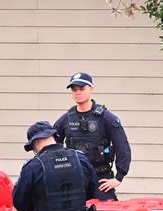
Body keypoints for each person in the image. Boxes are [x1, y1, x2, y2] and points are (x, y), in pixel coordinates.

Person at [53, 72, 131, 201]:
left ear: (91, 89)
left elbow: (122, 146)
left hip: (100, 178)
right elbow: (52, 147)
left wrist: (119, 177)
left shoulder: (106, 118)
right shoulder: (66, 119)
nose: (77, 93)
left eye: (82, 89)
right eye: (74, 89)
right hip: (75, 178)